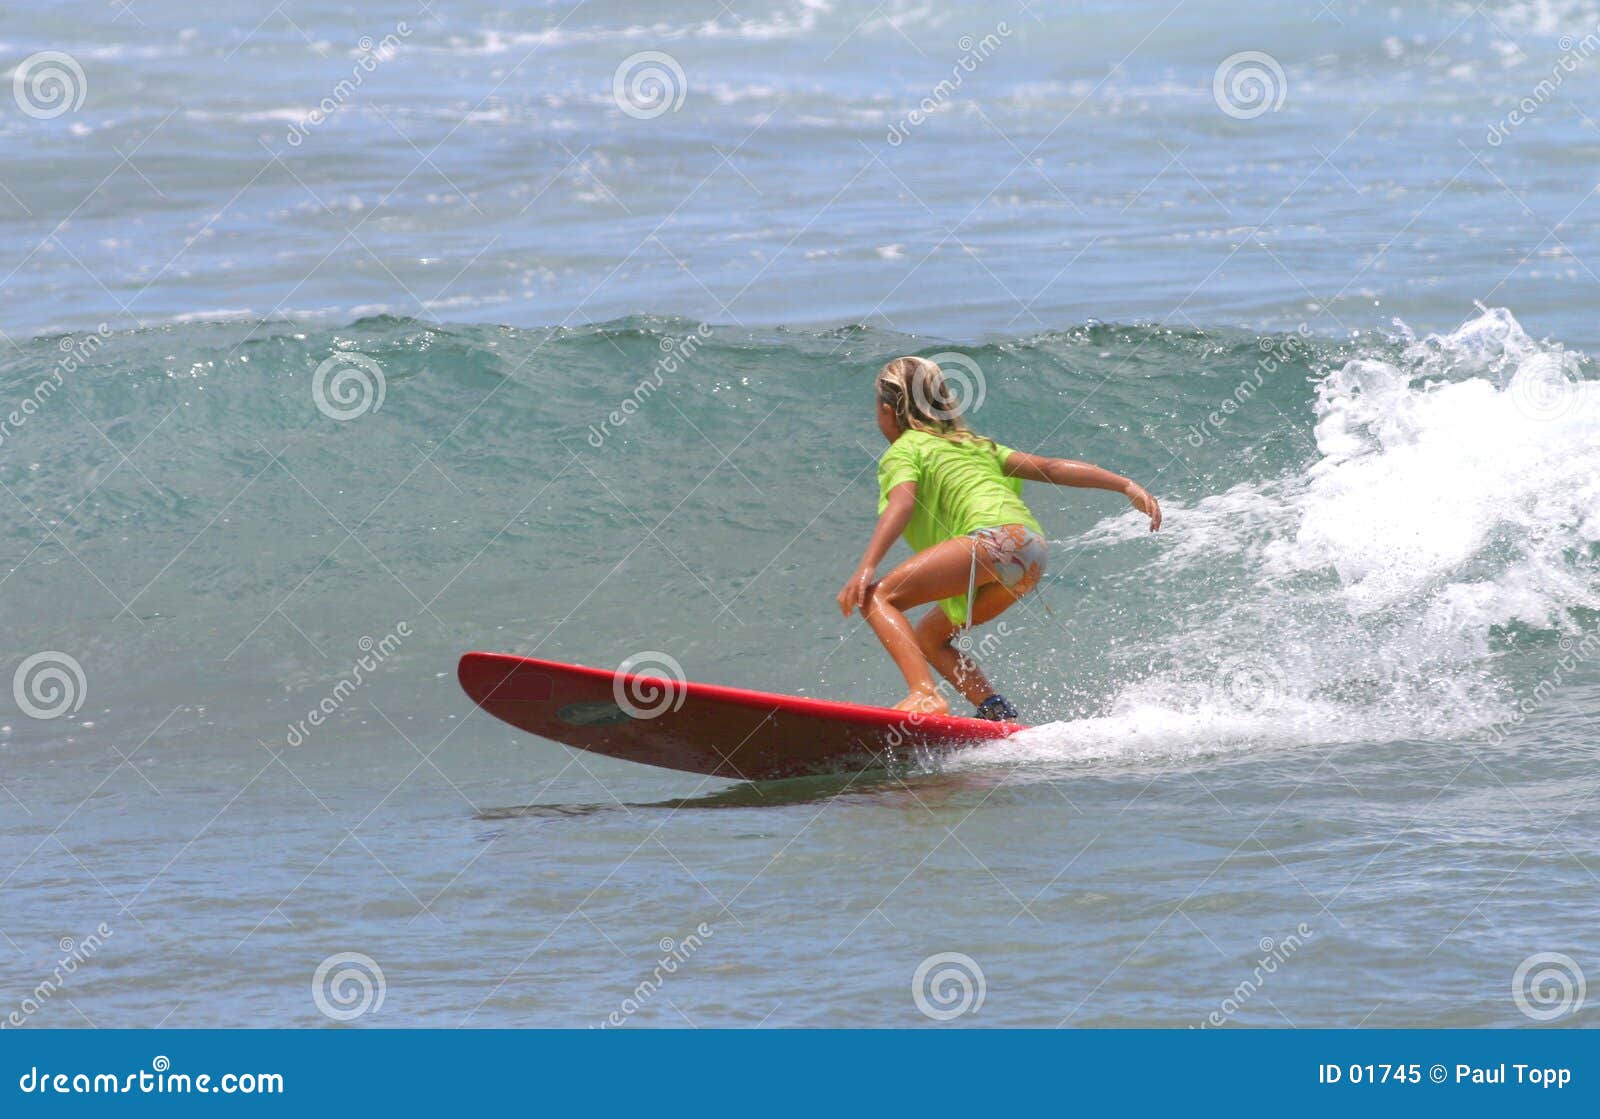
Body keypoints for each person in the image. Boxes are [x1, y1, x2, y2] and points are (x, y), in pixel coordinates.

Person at [837, 356, 1162, 718]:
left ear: (886, 411)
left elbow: (903, 503)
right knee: (931, 635)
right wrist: (1125, 485)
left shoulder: (905, 450)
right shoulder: (976, 444)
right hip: (1030, 552)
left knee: (877, 597)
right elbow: (1051, 468)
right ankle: (994, 709)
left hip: (992, 542)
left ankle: (924, 693)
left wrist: (867, 566)